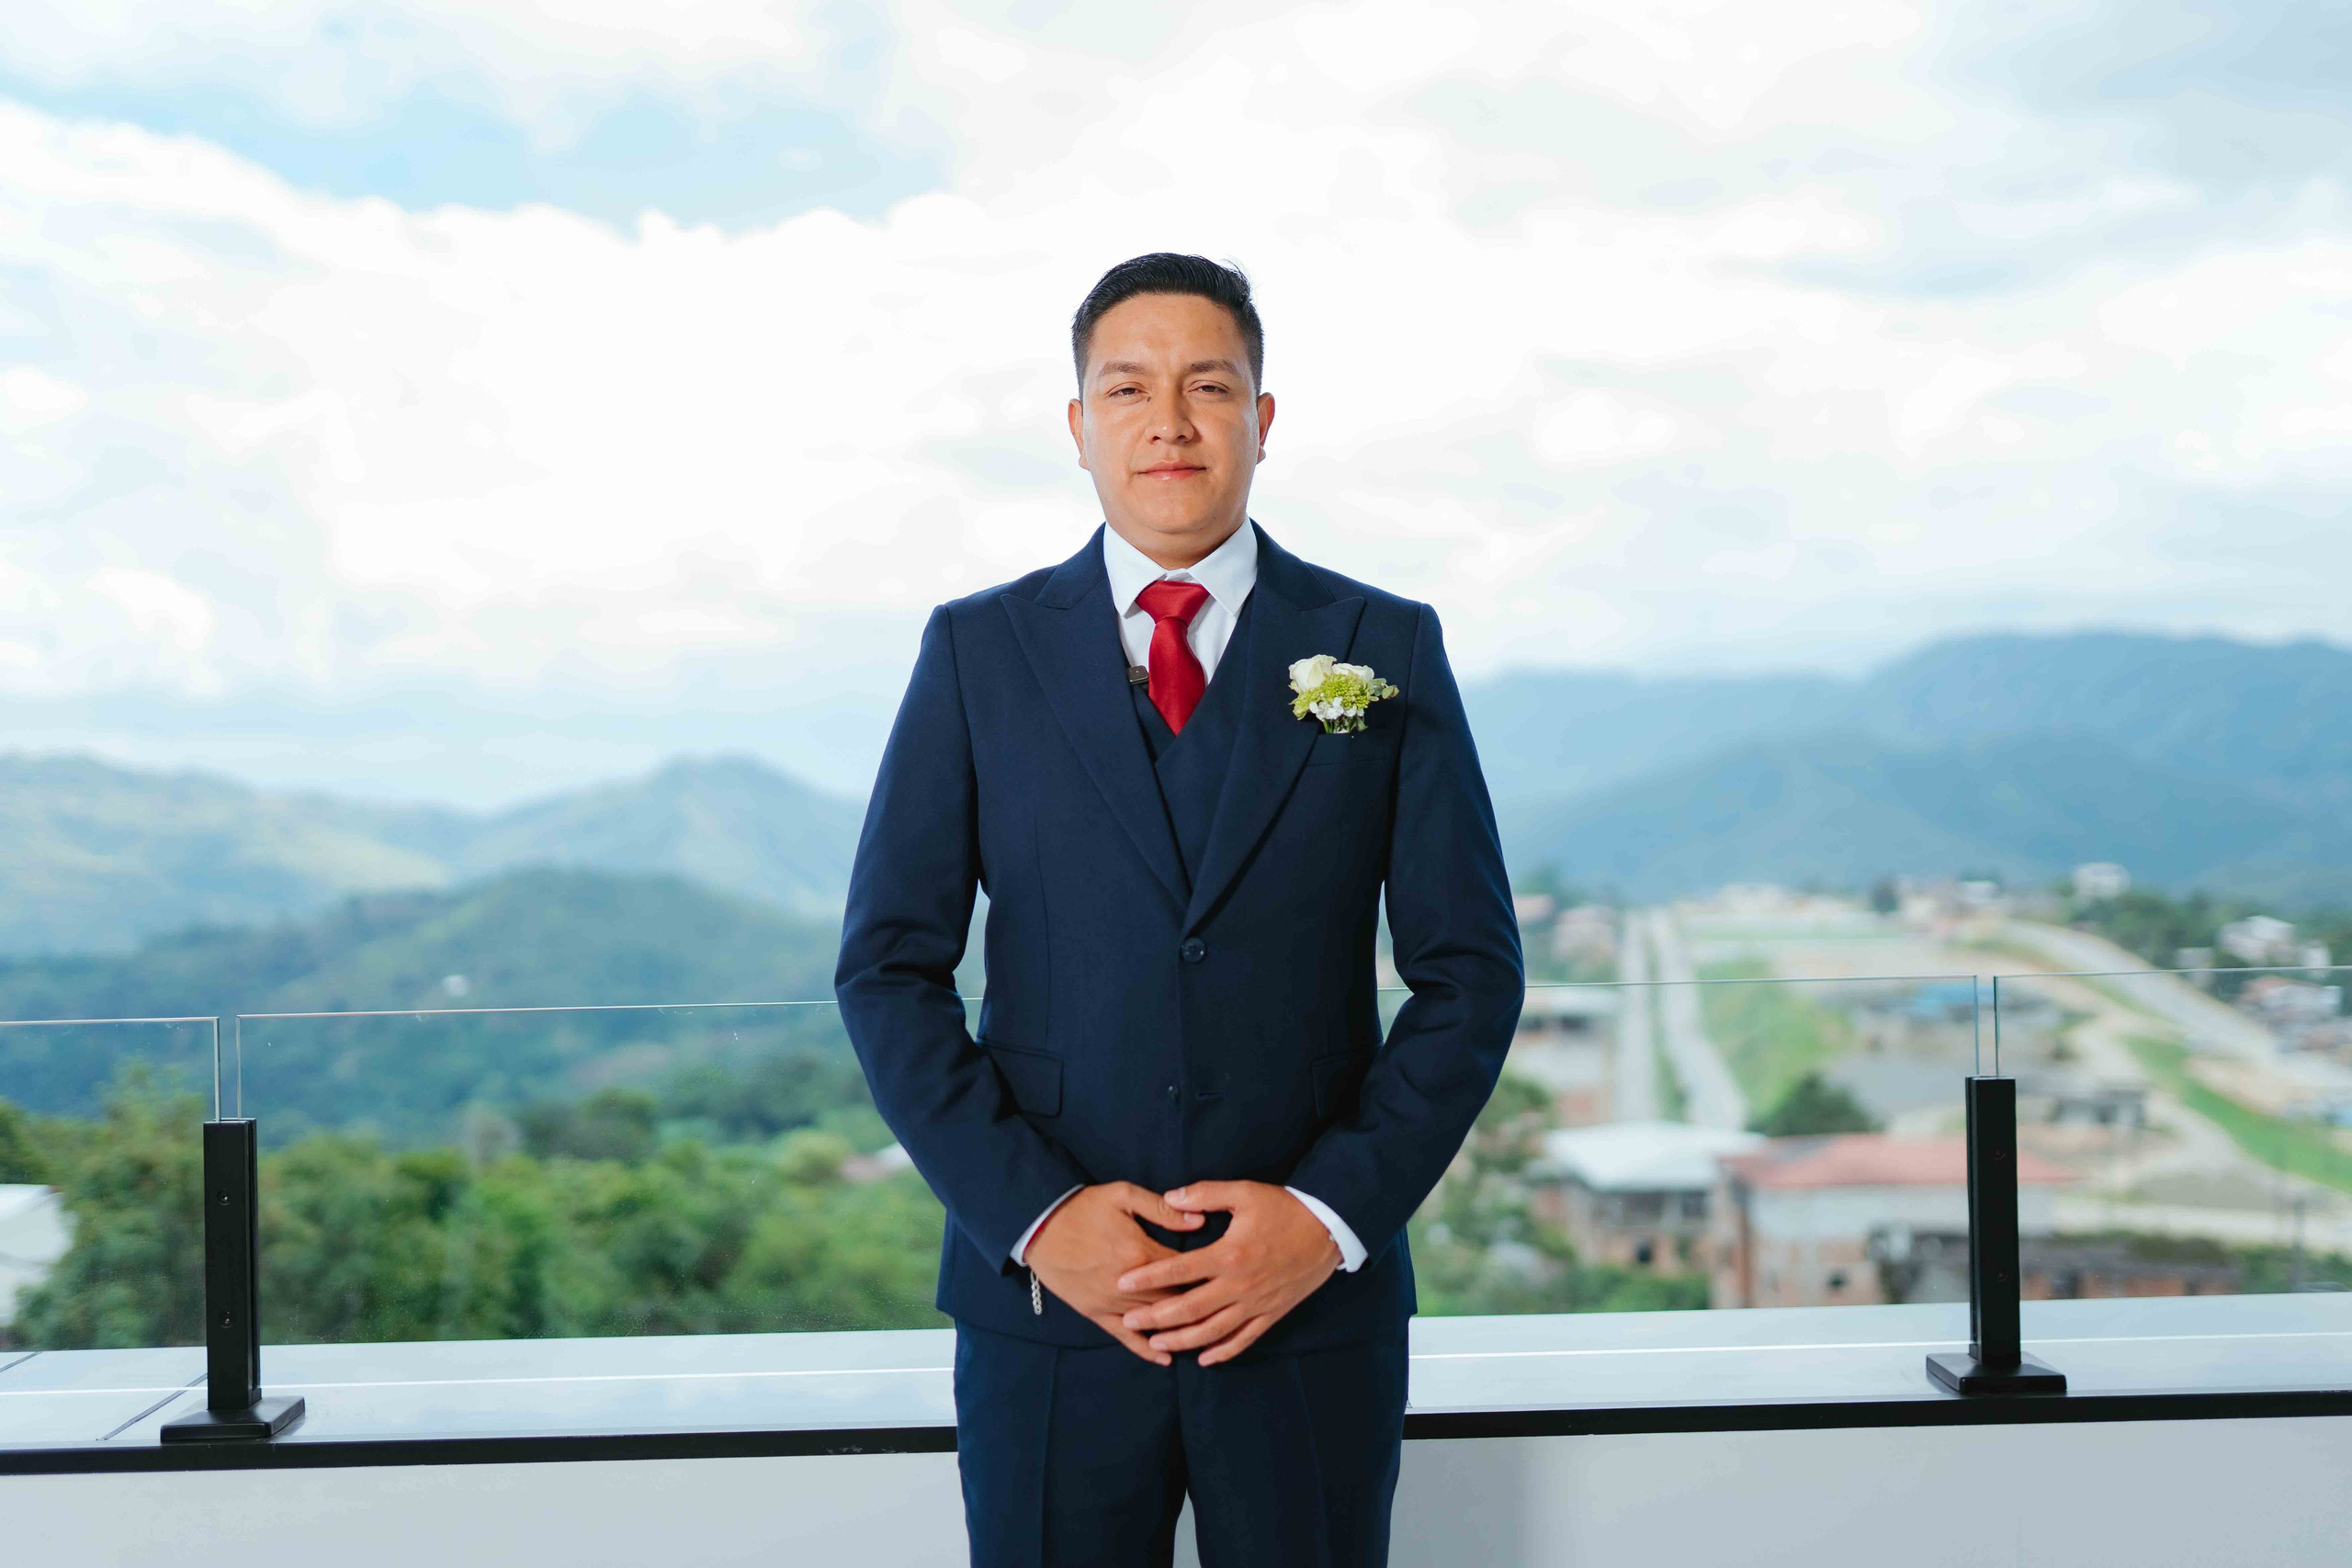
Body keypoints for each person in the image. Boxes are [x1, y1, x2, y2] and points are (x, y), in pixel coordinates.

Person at [835, 253, 1522, 1568]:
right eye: (1128, 388)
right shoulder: (979, 653)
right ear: (1079, 427)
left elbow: (1470, 975)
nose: (1170, 420)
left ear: (1263, 420)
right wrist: (1039, 1219)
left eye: (1210, 386)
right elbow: (888, 971)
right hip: (1054, 1313)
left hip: (1305, 1307)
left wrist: (1324, 1222)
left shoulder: (1384, 647)